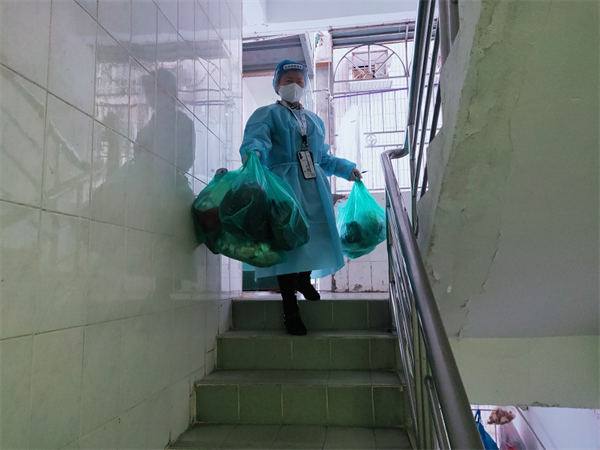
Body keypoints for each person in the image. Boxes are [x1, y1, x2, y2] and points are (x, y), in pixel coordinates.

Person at [240, 60, 362, 335]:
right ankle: (290, 307)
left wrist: (347, 170)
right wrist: (253, 155)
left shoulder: (315, 120)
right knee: (287, 241)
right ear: (276, 85)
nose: (294, 85)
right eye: (288, 80)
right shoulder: (267, 114)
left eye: (300, 81)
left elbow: (323, 158)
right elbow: (256, 140)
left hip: (314, 187)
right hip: (283, 186)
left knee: (315, 235)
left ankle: (304, 279)